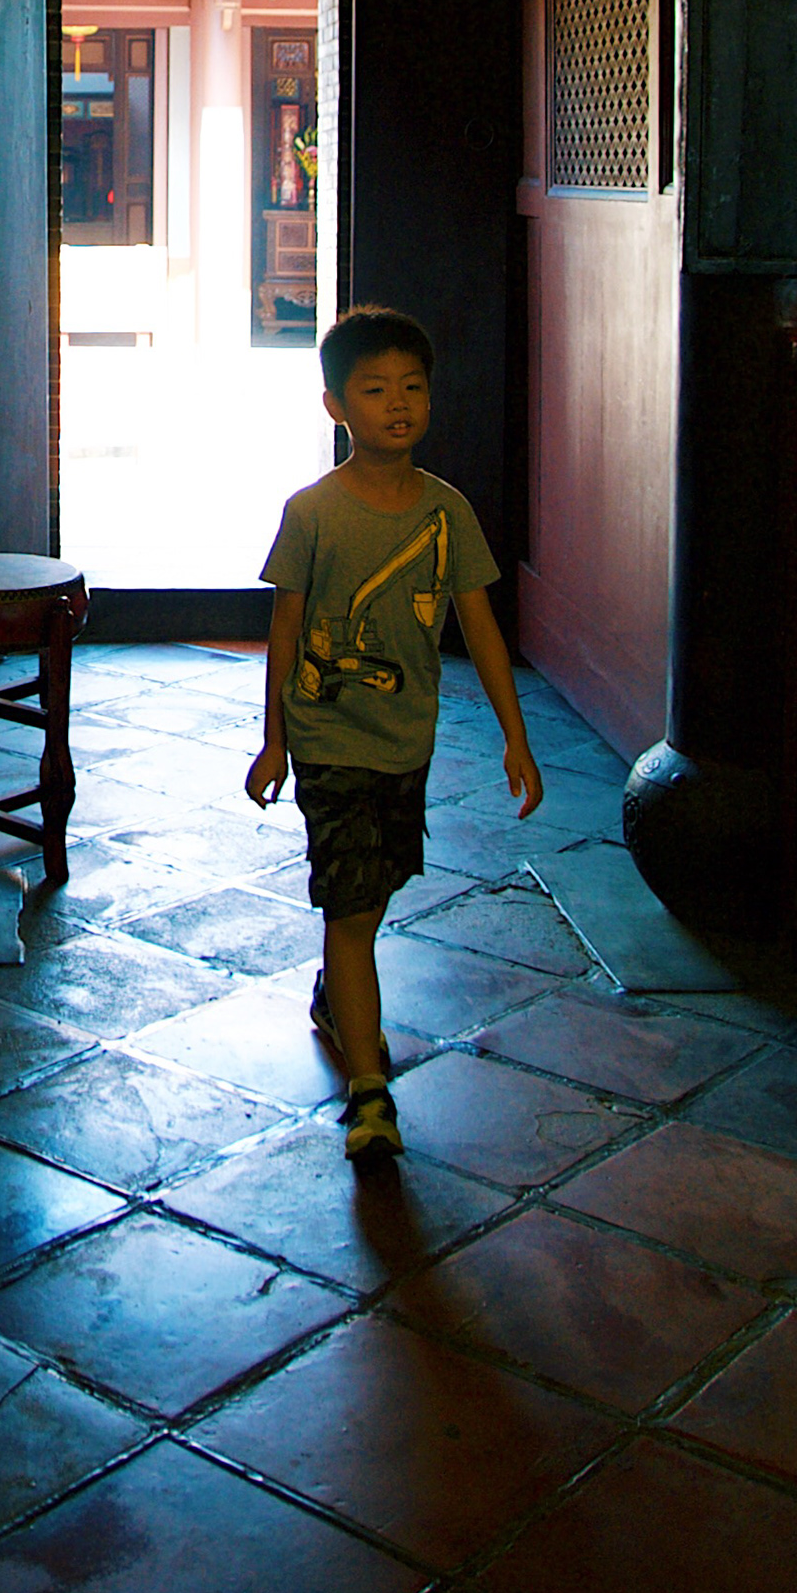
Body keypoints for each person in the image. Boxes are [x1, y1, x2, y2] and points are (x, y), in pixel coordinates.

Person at [246, 304, 544, 1165]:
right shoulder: (312, 514)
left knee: (371, 895)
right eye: (375, 390)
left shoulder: (447, 514)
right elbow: (285, 632)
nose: (398, 404)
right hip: (328, 740)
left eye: (412, 387)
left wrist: (514, 736)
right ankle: (369, 1093)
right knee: (349, 906)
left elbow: (481, 627)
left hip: (404, 741)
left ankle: (337, 993)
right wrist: (274, 739)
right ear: (336, 406)